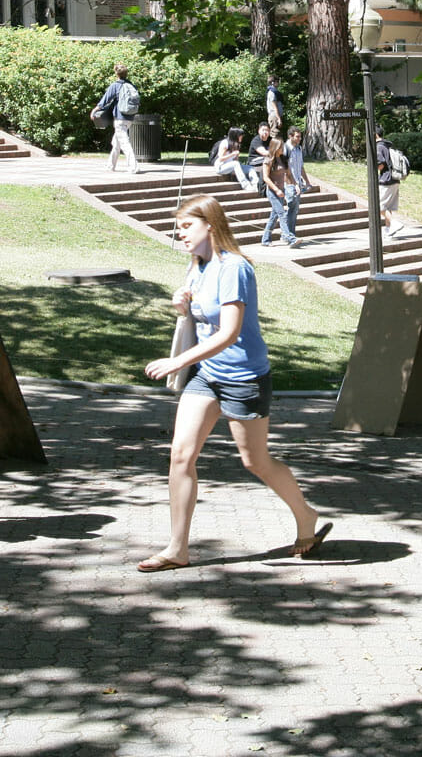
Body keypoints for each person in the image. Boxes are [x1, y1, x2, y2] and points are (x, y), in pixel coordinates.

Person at [138, 195, 327, 570]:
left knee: (255, 461)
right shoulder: (198, 265)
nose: (181, 234)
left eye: (186, 226)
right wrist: (182, 307)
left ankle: (306, 515)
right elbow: (200, 317)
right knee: (180, 455)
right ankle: (177, 549)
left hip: (245, 378)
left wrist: (177, 361)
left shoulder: (235, 267)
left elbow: (228, 333)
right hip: (208, 376)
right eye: (179, 227)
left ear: (210, 224)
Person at [92, 63, 140, 175]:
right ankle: (110, 166)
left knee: (124, 143)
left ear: (116, 73)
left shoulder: (116, 85)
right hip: (130, 118)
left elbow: (104, 101)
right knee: (116, 143)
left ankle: (134, 167)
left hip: (120, 118)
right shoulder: (131, 85)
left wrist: (94, 110)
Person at [258, 139, 297, 247]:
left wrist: (295, 185)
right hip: (272, 191)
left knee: (274, 216)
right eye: (280, 147)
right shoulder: (268, 160)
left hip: (281, 191)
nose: (282, 148)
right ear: (274, 147)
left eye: (282, 146)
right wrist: (276, 190)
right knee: (282, 214)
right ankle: (290, 238)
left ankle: (265, 240)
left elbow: (289, 174)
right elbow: (266, 178)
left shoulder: (283, 159)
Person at [283, 127, 315, 240]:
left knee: (294, 210)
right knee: (290, 207)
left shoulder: (299, 149)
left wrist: (307, 181)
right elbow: (285, 169)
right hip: (288, 184)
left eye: (300, 136)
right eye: (297, 136)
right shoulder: (285, 148)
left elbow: (301, 167)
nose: (299, 139)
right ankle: (287, 234)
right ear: (290, 136)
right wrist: (294, 184)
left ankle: (290, 234)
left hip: (298, 183)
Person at [374, 128, 402, 236]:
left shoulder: (379, 147)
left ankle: (394, 224)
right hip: (395, 179)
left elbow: (381, 165)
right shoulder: (387, 145)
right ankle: (388, 231)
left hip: (386, 180)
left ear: (375, 135)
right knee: (388, 207)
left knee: (379, 206)